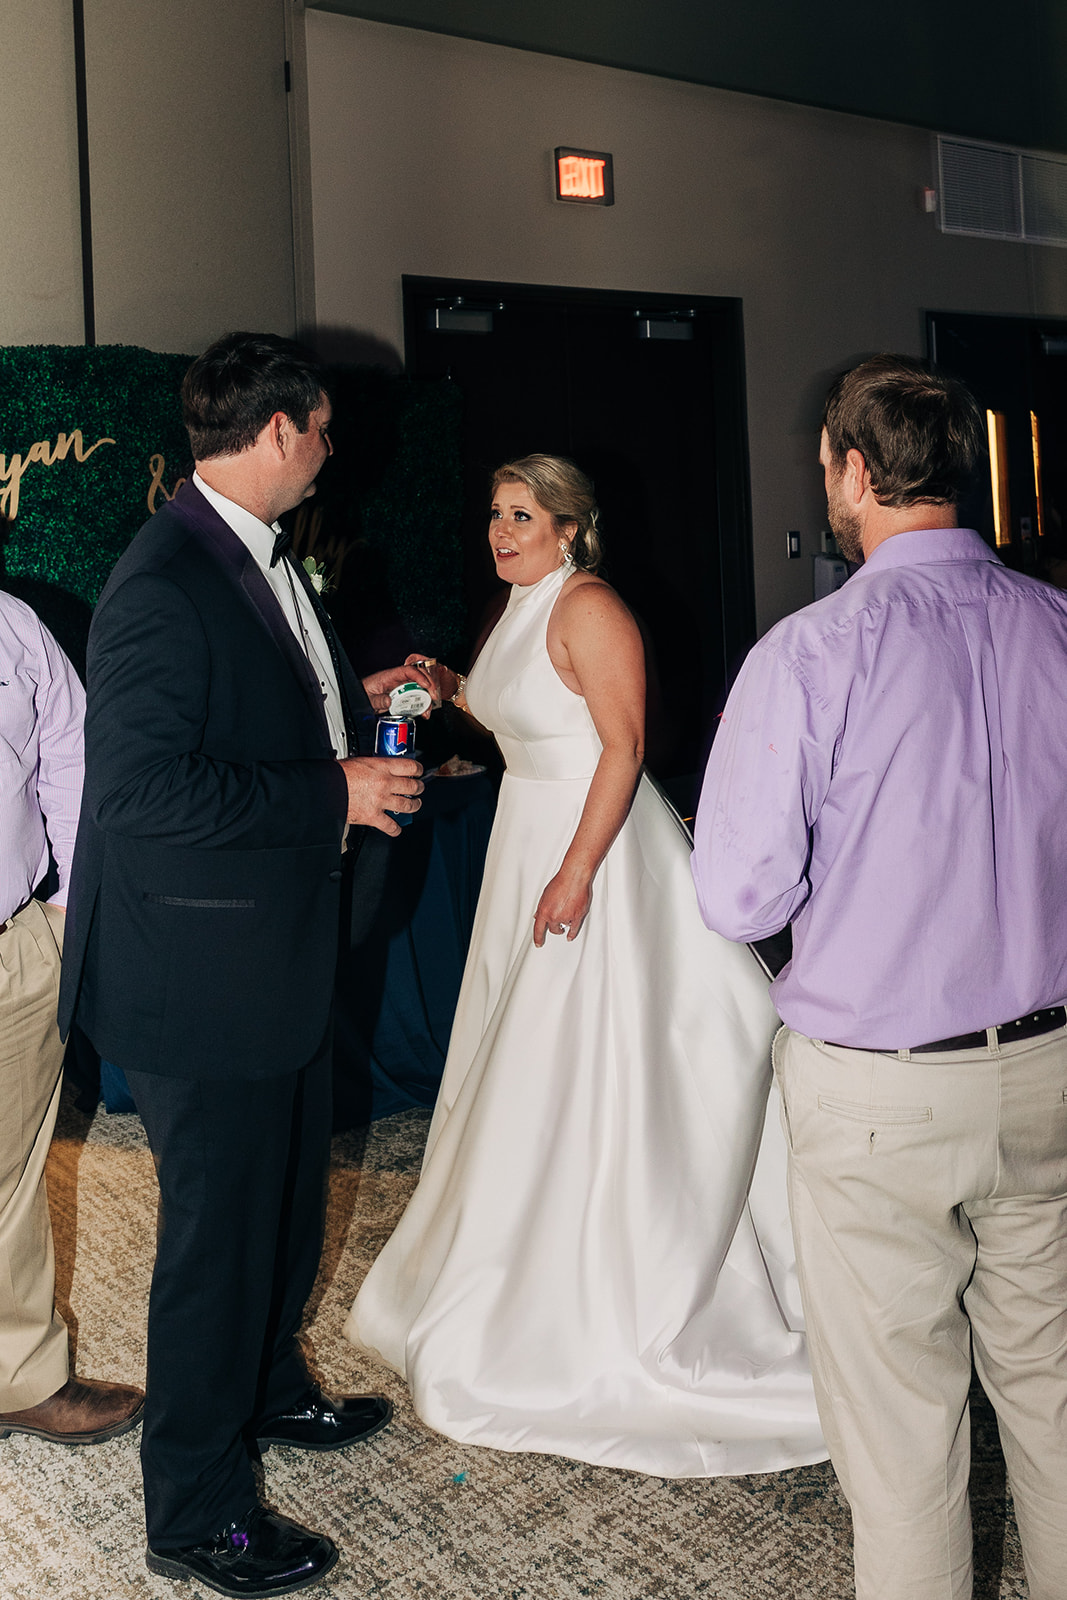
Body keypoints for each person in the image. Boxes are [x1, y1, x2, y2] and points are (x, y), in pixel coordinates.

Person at [345, 454, 826, 1477]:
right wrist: (451, 687)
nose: (500, 530)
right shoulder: (516, 606)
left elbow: (621, 745)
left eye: (523, 515)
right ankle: (510, 1266)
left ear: (572, 527)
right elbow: (525, 717)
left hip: (595, 853)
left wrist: (573, 873)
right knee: (517, 1059)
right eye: (493, 513)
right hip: (531, 830)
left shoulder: (590, 604)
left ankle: (603, 1291)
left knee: (590, 1063)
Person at [691, 354, 1067, 1600]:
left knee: (902, 1435)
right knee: (1055, 1393)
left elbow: (736, 895)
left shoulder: (806, 656)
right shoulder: (1058, 626)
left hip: (879, 1094)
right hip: (1052, 1066)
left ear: (853, 472)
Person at [58, 332, 427, 1597]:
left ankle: (269, 1391)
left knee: (275, 1207)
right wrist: (332, 786)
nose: (330, 452)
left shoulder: (248, 553)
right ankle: (195, 1513)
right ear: (282, 431)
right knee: (215, 1247)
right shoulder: (164, 579)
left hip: (263, 954)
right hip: (195, 978)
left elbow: (262, 701)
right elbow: (145, 791)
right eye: (322, 432)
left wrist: (353, 696)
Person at [0, 591, 144, 1447]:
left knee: (13, 1174)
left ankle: (17, 1376)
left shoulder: (12, 622)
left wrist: (63, 902)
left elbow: (71, 755)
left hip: (16, 937)